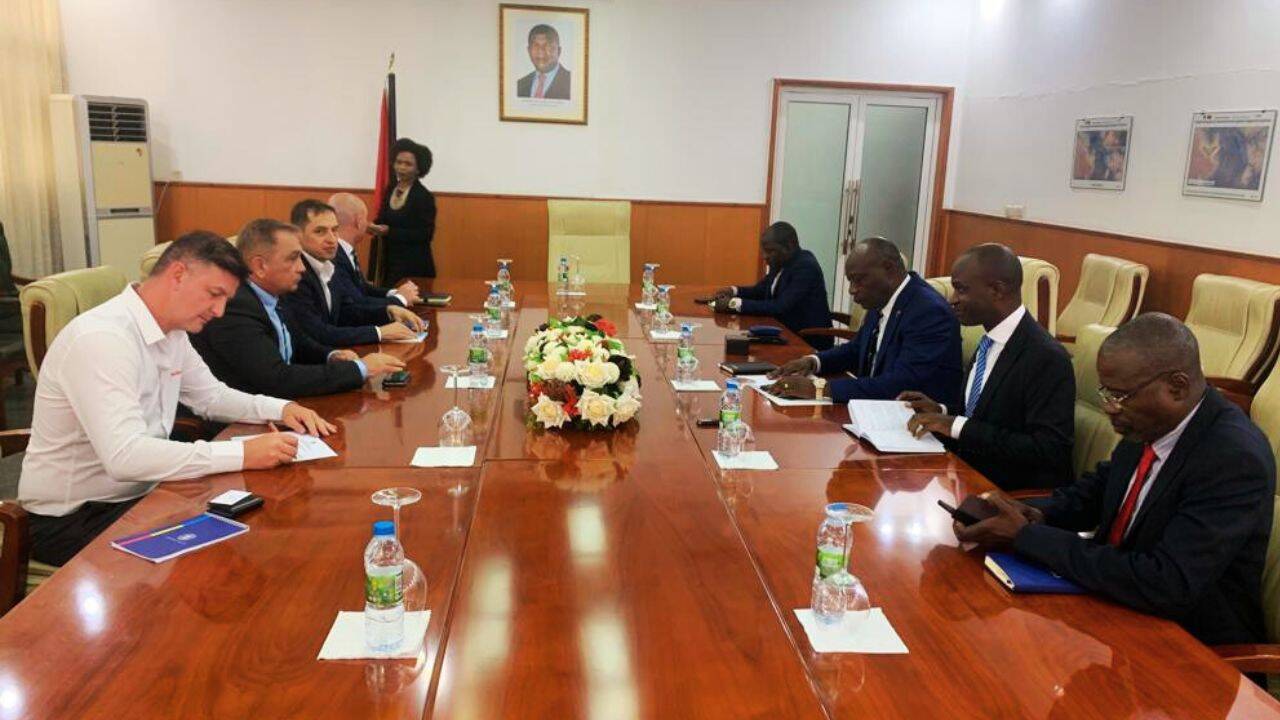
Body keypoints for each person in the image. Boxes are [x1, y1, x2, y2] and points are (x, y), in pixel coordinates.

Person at [18, 231, 336, 565]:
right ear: (178, 275)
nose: (219, 311)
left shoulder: (172, 331)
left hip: (142, 494)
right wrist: (243, 453)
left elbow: (211, 396)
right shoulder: (102, 339)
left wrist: (282, 408)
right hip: (75, 519)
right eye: (214, 294)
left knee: (252, 522)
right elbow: (125, 457)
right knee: (220, 559)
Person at [956, 313, 1274, 647]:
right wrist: (1026, 512)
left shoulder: (1233, 457)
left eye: (1120, 396)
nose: (1109, 408)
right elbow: (1094, 494)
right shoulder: (1150, 424)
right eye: (1106, 393)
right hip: (1118, 608)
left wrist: (1028, 536)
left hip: (1191, 644)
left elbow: (1168, 582)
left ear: (1177, 387)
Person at [898, 243, 1074, 491]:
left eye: (961, 289)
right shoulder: (989, 341)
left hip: (1008, 494)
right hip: (964, 475)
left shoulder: (1046, 357)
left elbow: (1047, 449)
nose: (952, 300)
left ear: (996, 290)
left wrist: (954, 425)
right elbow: (984, 415)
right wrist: (942, 410)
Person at [192, 218, 405, 398]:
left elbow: (299, 342)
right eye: (293, 258)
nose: (302, 268)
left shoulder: (276, 293)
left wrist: (331, 355)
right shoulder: (234, 306)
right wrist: (360, 369)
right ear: (260, 266)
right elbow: (276, 379)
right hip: (239, 422)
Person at [765, 237, 963, 407]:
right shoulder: (884, 298)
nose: (852, 290)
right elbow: (857, 349)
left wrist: (820, 389)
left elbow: (900, 384)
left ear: (889, 269)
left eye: (859, 280)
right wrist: (814, 362)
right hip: (876, 410)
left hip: (916, 422)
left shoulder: (928, 311)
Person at [285, 200, 426, 347]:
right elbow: (318, 333)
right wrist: (379, 332)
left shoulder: (328, 264)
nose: (332, 239)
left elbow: (345, 312)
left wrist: (388, 311)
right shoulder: (296, 274)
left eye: (334, 230)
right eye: (320, 231)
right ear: (298, 235)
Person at [709, 221, 833, 350]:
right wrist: (733, 291)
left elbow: (780, 307)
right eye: (764, 251)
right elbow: (760, 290)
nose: (765, 256)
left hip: (808, 340)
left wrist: (733, 304)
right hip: (782, 332)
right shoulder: (781, 262)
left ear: (789, 246)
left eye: (770, 251)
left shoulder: (805, 266)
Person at [327, 192, 421, 306]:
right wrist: (401, 299)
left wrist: (396, 293)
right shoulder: (334, 255)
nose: (368, 224)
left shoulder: (343, 251)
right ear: (358, 221)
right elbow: (357, 304)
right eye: (365, 219)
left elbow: (363, 288)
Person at [367, 138, 437, 282]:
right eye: (398, 162)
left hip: (413, 264)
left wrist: (390, 232)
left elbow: (425, 234)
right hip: (388, 262)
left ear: (418, 169)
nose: (401, 167)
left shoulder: (424, 196)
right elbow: (383, 218)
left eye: (408, 164)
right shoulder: (390, 189)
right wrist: (372, 226)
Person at [516, 24, 571, 100]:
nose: (541, 51)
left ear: (558, 51)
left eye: (548, 46)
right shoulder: (520, 85)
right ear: (529, 51)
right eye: (536, 46)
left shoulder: (572, 82)